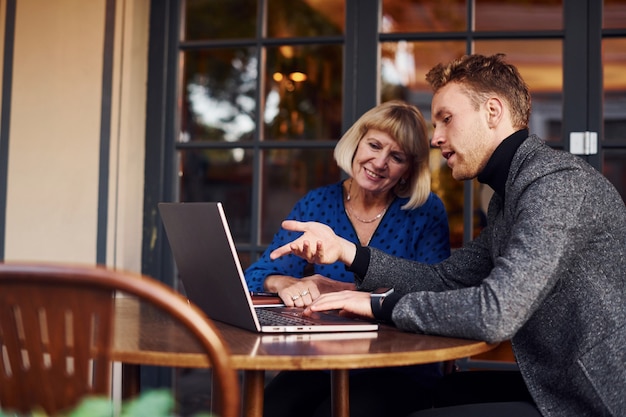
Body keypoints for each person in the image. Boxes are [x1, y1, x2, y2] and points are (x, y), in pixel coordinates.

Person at [269, 54, 626, 417]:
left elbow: (496, 312)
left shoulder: (555, 184)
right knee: (440, 392)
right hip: (553, 384)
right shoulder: (509, 198)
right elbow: (444, 277)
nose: (436, 138)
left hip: (593, 400)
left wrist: (379, 305)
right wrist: (348, 254)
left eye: (446, 119)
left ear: (492, 111)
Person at [244, 100, 452, 417]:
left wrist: (341, 290)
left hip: (398, 365)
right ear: (357, 142)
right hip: (323, 360)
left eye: (396, 157)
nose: (380, 162)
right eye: (374, 145)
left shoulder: (425, 211)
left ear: (408, 169)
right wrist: (285, 282)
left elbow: (434, 294)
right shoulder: (317, 203)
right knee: (265, 409)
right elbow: (257, 274)